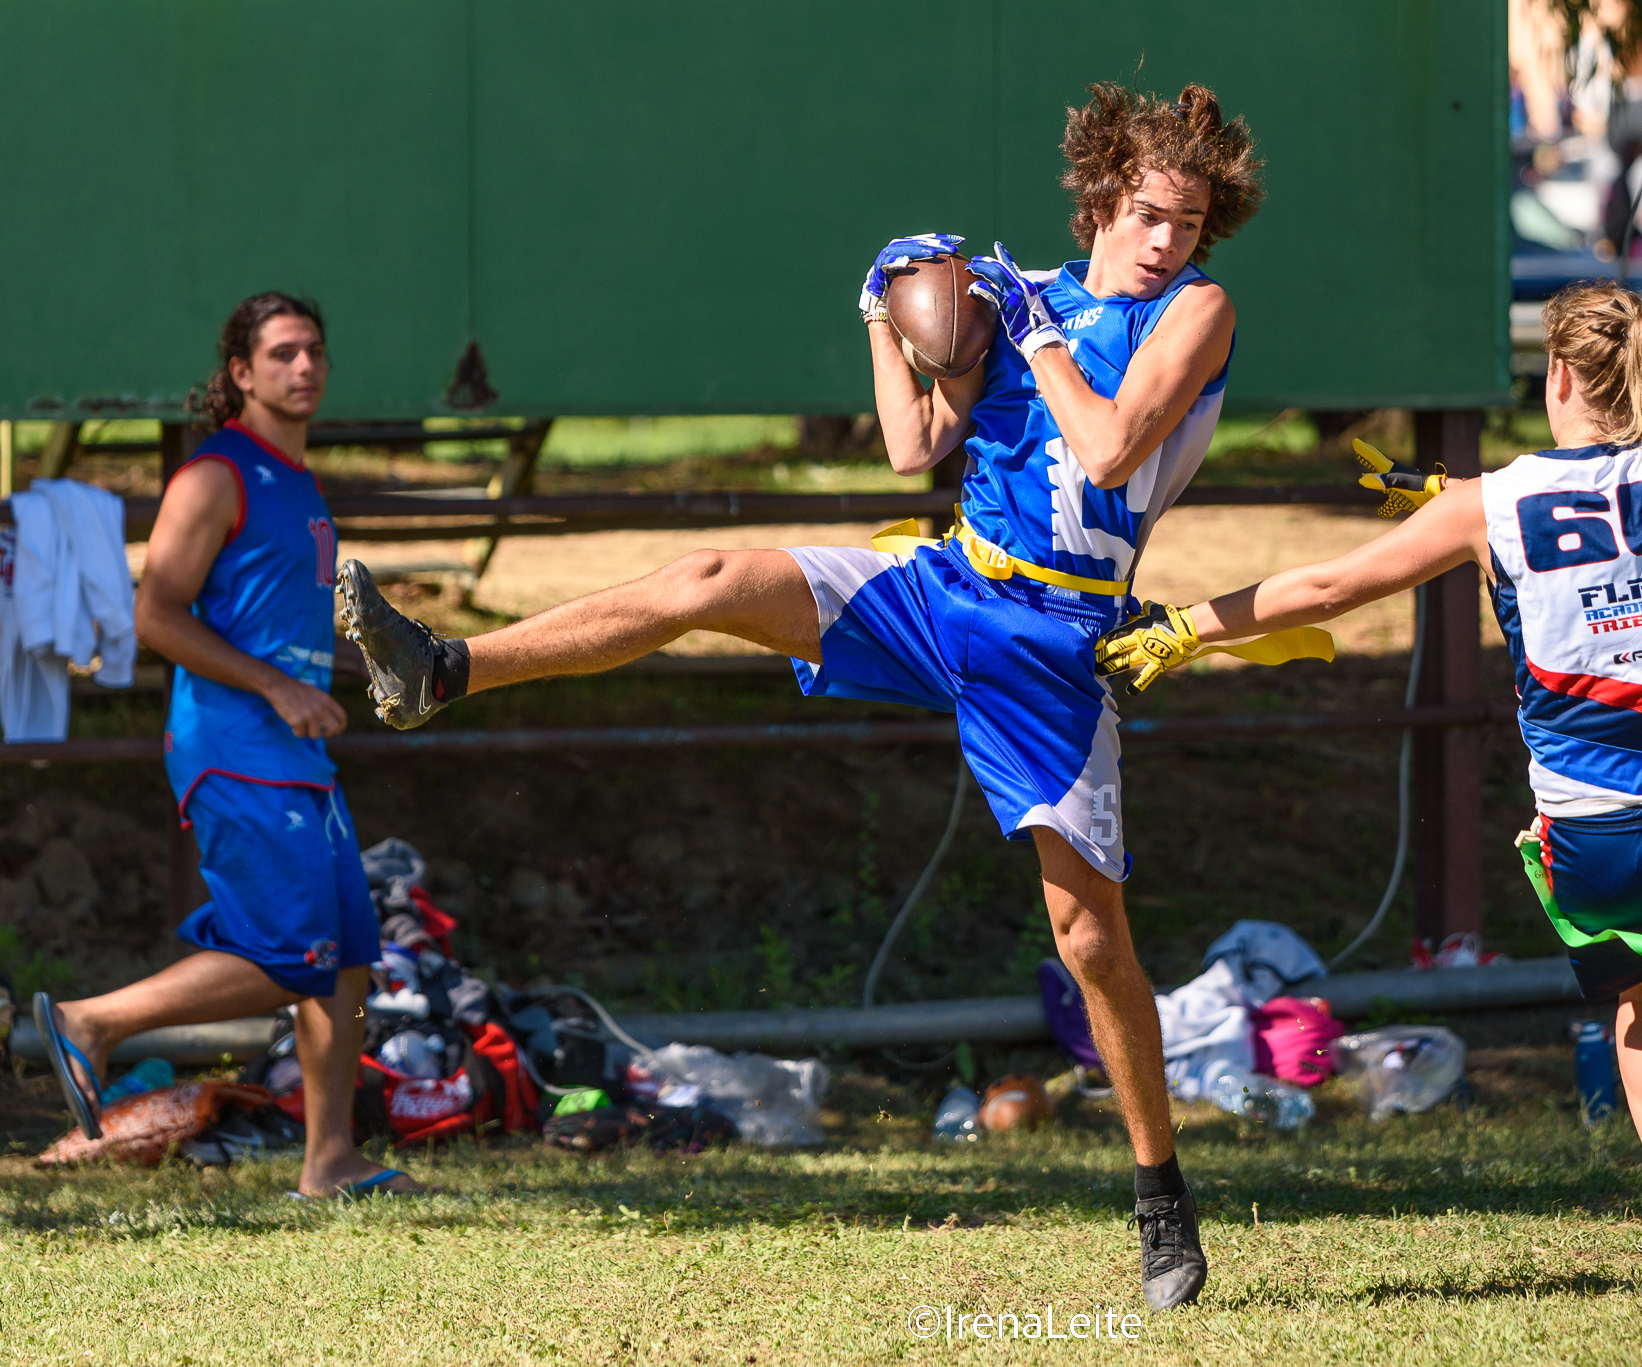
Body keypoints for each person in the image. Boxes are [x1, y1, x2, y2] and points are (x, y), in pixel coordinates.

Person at [337, 82, 1263, 1307]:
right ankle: (443, 667)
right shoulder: (1018, 296)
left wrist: (1031, 330)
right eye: (1150, 214)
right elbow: (908, 451)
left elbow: (1103, 450)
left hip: (1057, 635)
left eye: (1187, 222)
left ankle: (1159, 1193)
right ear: (1102, 196)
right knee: (708, 575)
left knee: (1088, 938)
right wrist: (882, 308)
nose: (1165, 242)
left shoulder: (1194, 312)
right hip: (947, 584)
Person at [1095, 281, 1642, 1300]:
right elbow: (1604, 514)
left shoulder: (1484, 507)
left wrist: (1184, 627)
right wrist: (1457, 495)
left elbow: (1331, 585)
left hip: (1592, 833)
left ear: (1553, 372)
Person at [33, 292, 421, 1197]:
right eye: (282, 353)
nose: (305, 367)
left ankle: (329, 1162)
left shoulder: (303, 483)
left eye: (316, 350)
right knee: (293, 953)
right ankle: (92, 1021)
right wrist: (280, 685)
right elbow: (153, 615)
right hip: (236, 745)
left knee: (348, 954)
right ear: (241, 373)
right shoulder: (215, 474)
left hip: (295, 751)